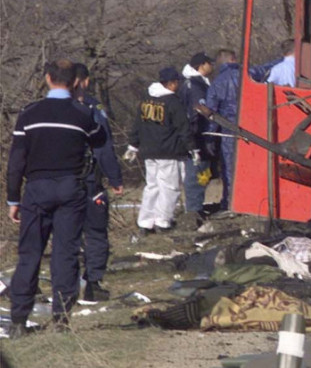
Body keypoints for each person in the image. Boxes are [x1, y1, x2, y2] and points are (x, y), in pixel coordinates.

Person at [6, 60, 107, 337]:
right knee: (65, 253)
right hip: (70, 188)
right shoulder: (83, 114)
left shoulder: (30, 114)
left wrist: (13, 199)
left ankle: (18, 321)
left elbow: (16, 161)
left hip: (36, 189)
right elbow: (100, 140)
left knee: (30, 254)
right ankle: (61, 319)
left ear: (48, 79)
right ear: (76, 82)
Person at [72, 63, 123, 302]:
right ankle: (92, 282)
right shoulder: (92, 107)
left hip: (56, 181)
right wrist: (114, 177)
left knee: (64, 233)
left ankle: (66, 284)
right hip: (89, 179)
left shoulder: (44, 109)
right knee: (95, 231)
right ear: (84, 81)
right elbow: (103, 145)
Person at [125, 67, 195, 234]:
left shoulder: (146, 99)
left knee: (152, 186)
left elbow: (137, 124)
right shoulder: (172, 102)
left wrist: (133, 145)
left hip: (148, 151)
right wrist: (193, 148)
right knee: (169, 188)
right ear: (171, 84)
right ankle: (163, 222)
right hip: (168, 151)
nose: (178, 85)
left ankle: (145, 222)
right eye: (176, 82)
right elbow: (183, 127)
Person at [179, 52, 214, 224]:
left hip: (198, 135)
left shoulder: (195, 83)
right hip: (198, 136)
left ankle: (197, 206)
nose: (212, 67)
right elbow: (197, 111)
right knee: (197, 172)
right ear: (201, 65)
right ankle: (194, 210)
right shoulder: (195, 86)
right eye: (209, 63)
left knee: (203, 172)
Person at [205, 49, 241, 211]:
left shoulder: (217, 83)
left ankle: (230, 203)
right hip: (251, 130)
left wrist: (210, 138)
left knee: (229, 168)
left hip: (228, 131)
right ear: (233, 59)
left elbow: (211, 113)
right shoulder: (249, 75)